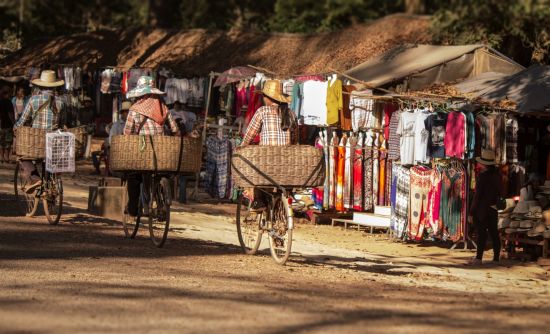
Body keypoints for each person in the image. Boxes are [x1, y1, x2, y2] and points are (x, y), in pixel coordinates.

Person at [124, 76, 180, 218]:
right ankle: (161, 200)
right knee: (161, 172)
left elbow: (127, 133)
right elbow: (175, 130)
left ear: (140, 94)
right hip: (162, 152)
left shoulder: (135, 110)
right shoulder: (163, 108)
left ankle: (133, 209)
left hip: (142, 152)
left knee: (133, 176)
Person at [239, 79, 297, 209]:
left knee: (252, 166)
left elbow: (250, 134)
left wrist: (242, 147)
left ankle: (257, 200)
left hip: (267, 161)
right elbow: (295, 139)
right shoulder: (291, 114)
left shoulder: (263, 111)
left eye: (264, 96)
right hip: (286, 162)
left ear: (268, 98)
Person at [13, 70, 67, 193]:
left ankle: (35, 178)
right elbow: (62, 123)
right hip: (53, 141)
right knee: (48, 158)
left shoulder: (34, 100)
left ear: (40, 86)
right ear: (54, 86)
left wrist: (16, 127)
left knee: (22, 156)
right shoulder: (61, 102)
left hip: (36, 141)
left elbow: (23, 119)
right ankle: (50, 183)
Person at [469, 149, 502, 265]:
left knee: (481, 234)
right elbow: (500, 193)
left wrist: (471, 212)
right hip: (493, 208)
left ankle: (478, 258)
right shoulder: (497, 176)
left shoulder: (482, 177)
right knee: (494, 233)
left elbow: (477, 196)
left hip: (482, 209)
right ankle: (496, 258)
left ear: (484, 164)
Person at [169, 101, 198, 204]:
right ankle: (178, 198)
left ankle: (176, 197)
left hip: (177, 161)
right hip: (178, 161)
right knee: (180, 178)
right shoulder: (183, 136)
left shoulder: (176, 137)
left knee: (178, 178)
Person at [0, 86, 15, 163]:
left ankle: (1, 157)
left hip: (2, 125)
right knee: (8, 142)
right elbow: (10, 114)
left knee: (2, 142)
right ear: (8, 93)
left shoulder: (1, 101)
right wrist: (14, 123)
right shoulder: (8, 102)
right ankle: (6, 157)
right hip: (8, 126)